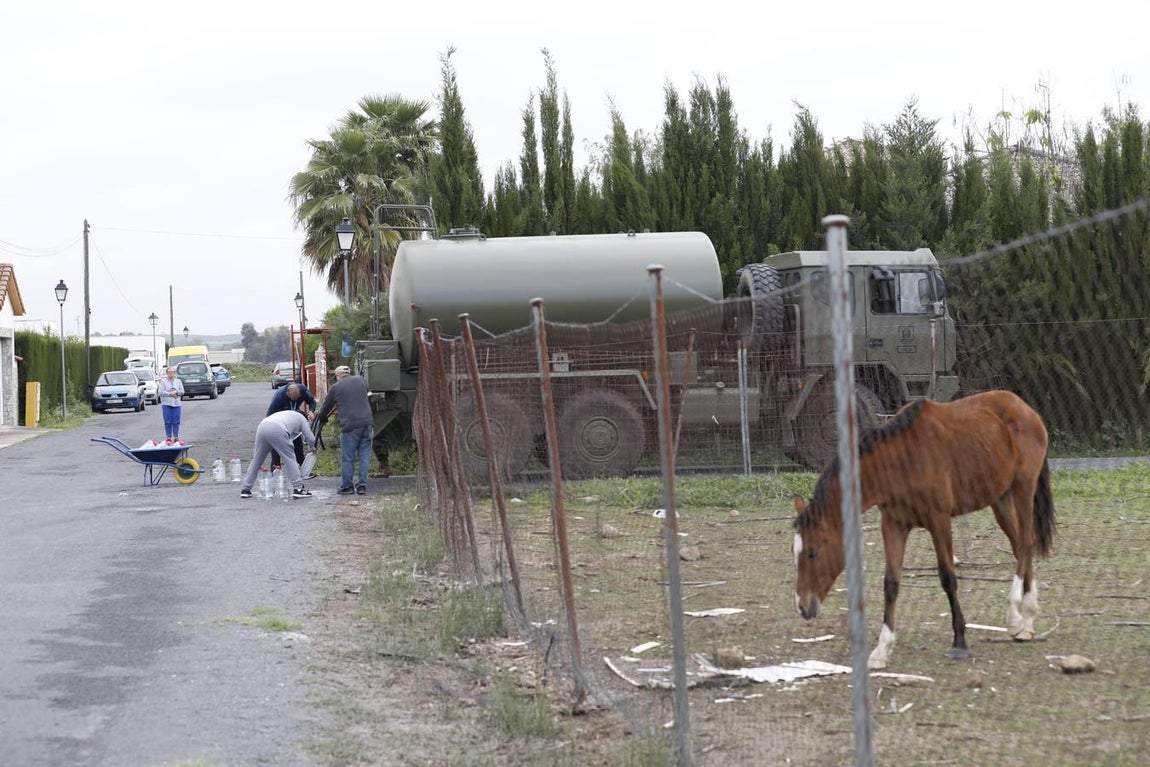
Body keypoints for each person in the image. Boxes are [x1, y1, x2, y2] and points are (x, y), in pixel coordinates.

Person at [313, 364, 375, 495]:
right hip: (367, 423)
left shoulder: (335, 387)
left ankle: (347, 486)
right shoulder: (361, 380)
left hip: (350, 426)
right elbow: (368, 398)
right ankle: (362, 486)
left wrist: (322, 417)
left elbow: (325, 409)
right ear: (349, 373)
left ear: (337, 375)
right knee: (364, 456)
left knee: (348, 457)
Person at [239, 410, 317, 499]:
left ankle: (246, 489)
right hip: (277, 429)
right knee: (289, 458)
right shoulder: (302, 419)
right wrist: (311, 448)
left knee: (257, 460)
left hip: (262, 426)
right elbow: (311, 438)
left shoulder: (288, 415)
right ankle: (298, 489)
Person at [265, 382, 317, 472]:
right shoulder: (279, 397)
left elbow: (312, 402)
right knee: (276, 446)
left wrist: (311, 411)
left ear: (300, 394)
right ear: (287, 394)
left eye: (296, 399)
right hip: (280, 422)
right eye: (292, 399)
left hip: (293, 422)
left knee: (297, 444)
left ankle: (302, 469)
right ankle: (275, 469)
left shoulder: (303, 390)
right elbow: (269, 416)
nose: (294, 401)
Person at [156, 366, 185, 444]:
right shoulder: (163, 382)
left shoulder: (178, 381)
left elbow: (182, 391)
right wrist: (170, 394)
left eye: (172, 372)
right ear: (167, 373)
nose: (171, 374)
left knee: (176, 420)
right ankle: (168, 437)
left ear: (175, 373)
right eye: (169, 372)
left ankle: (176, 436)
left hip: (176, 404)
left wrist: (176, 392)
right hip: (166, 403)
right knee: (167, 421)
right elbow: (160, 392)